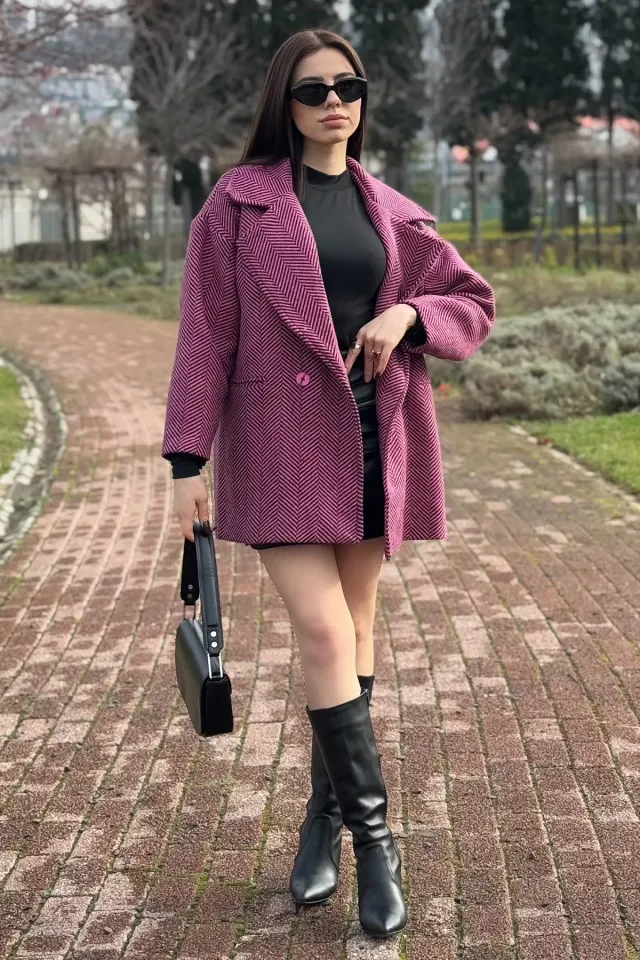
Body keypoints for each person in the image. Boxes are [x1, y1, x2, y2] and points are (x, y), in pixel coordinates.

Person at [162, 29, 495, 938]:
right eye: (313, 90)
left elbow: (473, 302)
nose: (334, 103)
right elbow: (204, 335)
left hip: (374, 440)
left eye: (348, 86)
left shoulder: (394, 212)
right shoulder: (239, 205)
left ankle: (323, 822)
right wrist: (186, 464)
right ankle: (378, 845)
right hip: (278, 445)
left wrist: (408, 312)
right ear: (286, 102)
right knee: (322, 629)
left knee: (353, 630)